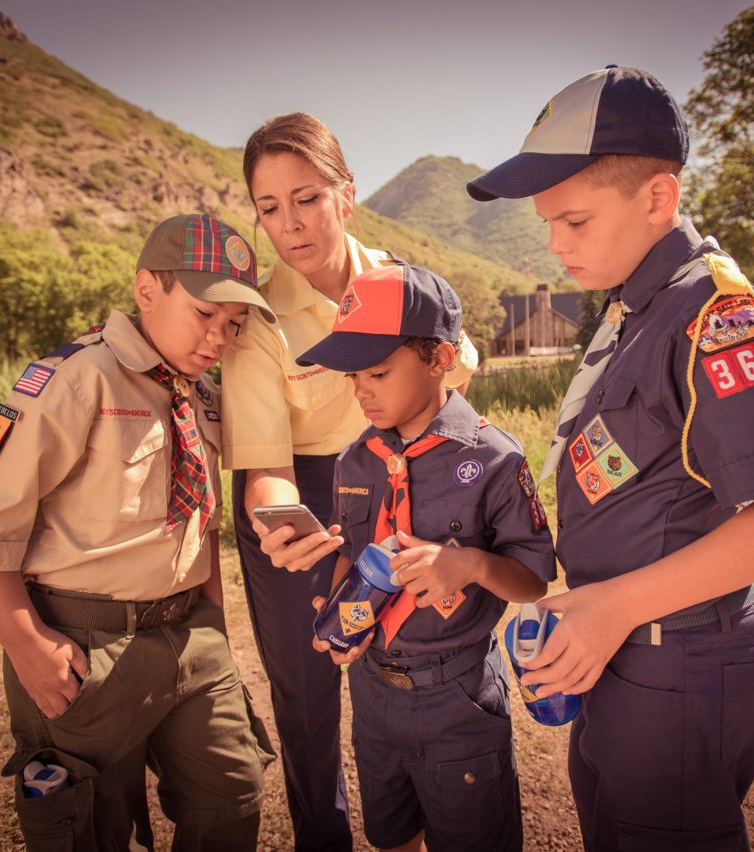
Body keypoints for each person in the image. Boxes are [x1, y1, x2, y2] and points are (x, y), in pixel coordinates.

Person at [466, 66, 754, 850]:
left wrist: (615, 606)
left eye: (574, 220)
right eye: (547, 222)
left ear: (658, 197)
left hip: (680, 663)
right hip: (624, 651)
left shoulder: (714, 313)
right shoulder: (641, 305)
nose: (555, 243)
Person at [0, 213, 277, 851]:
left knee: (232, 797)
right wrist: (27, 645)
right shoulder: (76, 377)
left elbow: (202, 518)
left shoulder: (201, 395)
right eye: (204, 313)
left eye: (234, 324)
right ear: (147, 290)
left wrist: (214, 623)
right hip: (86, 645)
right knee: (99, 827)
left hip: (191, 634)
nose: (218, 337)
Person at [219, 112, 476, 852]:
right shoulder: (259, 319)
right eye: (270, 207)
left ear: (346, 195)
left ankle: (419, 828)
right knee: (307, 695)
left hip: (397, 481)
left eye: (306, 198)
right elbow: (266, 471)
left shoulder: (404, 284)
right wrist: (282, 525)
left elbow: (456, 380)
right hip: (299, 500)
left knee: (411, 663)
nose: (291, 224)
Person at [259, 262, 555, 852]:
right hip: (373, 692)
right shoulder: (356, 460)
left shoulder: (494, 459)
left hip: (458, 694)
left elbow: (534, 581)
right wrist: (337, 603)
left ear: (440, 358)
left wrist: (472, 565)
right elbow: (354, 554)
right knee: (392, 834)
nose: (360, 390)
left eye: (377, 372)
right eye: (352, 376)